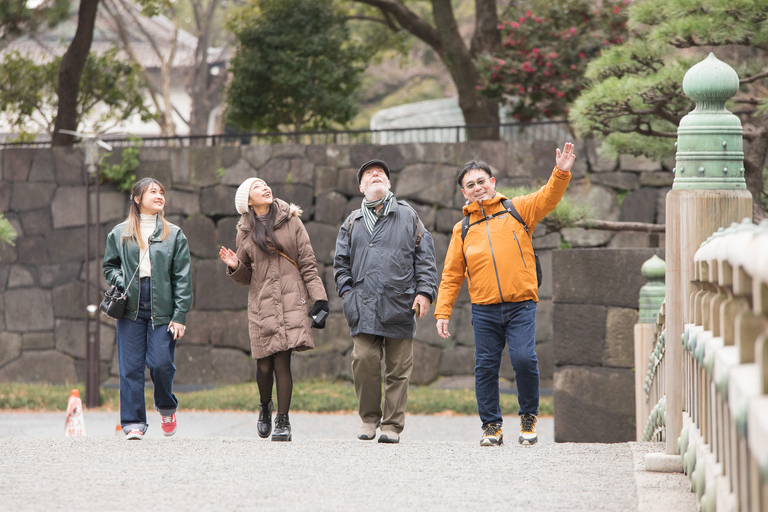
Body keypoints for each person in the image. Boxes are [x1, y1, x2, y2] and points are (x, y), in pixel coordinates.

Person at [434, 142, 575, 447]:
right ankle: (491, 426)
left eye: (481, 181)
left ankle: (528, 417)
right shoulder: (462, 228)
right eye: (470, 185)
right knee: (485, 366)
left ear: (492, 182)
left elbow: (548, 197)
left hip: (521, 303)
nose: (477, 188)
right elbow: (452, 275)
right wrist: (442, 312)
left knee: (524, 359)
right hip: (484, 309)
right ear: (463, 192)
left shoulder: (518, 209)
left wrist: (561, 172)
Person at [333, 159, 438, 444]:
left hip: (401, 302)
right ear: (361, 187)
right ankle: (369, 419)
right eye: (369, 174)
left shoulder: (408, 216)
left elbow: (425, 258)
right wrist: (347, 293)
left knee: (398, 369)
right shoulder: (352, 221)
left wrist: (425, 292)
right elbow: (340, 263)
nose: (375, 174)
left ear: (389, 184)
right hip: (363, 303)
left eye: (380, 173)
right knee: (363, 360)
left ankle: (392, 425)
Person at [219, 177, 328, 442]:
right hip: (262, 303)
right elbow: (247, 277)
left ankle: (283, 420)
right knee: (264, 365)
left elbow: (309, 264)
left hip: (291, 300)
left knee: (282, 361)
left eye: (265, 185)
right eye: (257, 187)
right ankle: (265, 407)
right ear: (248, 201)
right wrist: (235, 266)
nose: (265, 188)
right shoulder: (244, 231)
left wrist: (320, 300)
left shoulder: (292, 220)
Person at [103, 177, 192, 440]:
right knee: (130, 367)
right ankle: (133, 423)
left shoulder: (174, 234)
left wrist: (180, 315)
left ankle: (166, 406)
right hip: (130, 305)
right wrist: (123, 282)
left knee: (161, 364)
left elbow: (182, 278)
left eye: (162, 192)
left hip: (162, 305)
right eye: (153, 191)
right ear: (137, 198)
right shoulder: (119, 233)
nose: (159, 195)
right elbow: (110, 267)